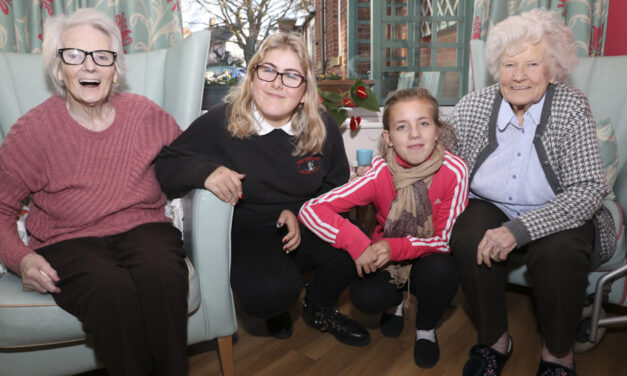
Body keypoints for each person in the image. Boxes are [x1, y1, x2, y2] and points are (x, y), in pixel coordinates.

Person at [0, 9, 188, 376]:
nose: (89, 67)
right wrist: (20, 258)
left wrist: (213, 171)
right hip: (67, 240)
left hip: (144, 227)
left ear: (115, 69)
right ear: (58, 67)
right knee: (110, 290)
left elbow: (187, 157)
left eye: (102, 56)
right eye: (74, 55)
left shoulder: (144, 114)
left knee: (161, 272)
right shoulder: (32, 132)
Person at [155, 32, 370, 346]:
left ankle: (318, 307)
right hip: (250, 230)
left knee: (356, 248)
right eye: (268, 70)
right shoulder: (221, 122)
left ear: (305, 88)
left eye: (291, 75)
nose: (277, 83)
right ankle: (277, 306)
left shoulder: (321, 126)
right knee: (268, 294)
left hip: (307, 221)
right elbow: (165, 166)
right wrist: (205, 172)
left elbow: (335, 189)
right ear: (253, 75)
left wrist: (301, 214)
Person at [448, 9, 615, 376]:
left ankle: (557, 354)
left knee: (561, 255)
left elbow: (588, 190)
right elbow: (441, 154)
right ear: (497, 69)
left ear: (552, 69)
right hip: (489, 203)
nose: (519, 75)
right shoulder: (474, 105)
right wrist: (393, 157)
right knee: (467, 238)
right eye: (509, 65)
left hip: (559, 208)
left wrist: (518, 230)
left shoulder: (570, 105)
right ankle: (495, 341)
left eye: (532, 64)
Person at [299, 88, 469, 368]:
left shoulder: (455, 170)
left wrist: (394, 247)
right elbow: (311, 209)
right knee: (366, 297)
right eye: (403, 127)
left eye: (423, 123)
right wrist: (358, 244)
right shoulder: (379, 172)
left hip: (429, 255)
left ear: (438, 131)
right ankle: (396, 304)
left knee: (444, 271)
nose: (414, 134)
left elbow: (444, 240)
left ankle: (425, 327)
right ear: (389, 138)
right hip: (384, 254)